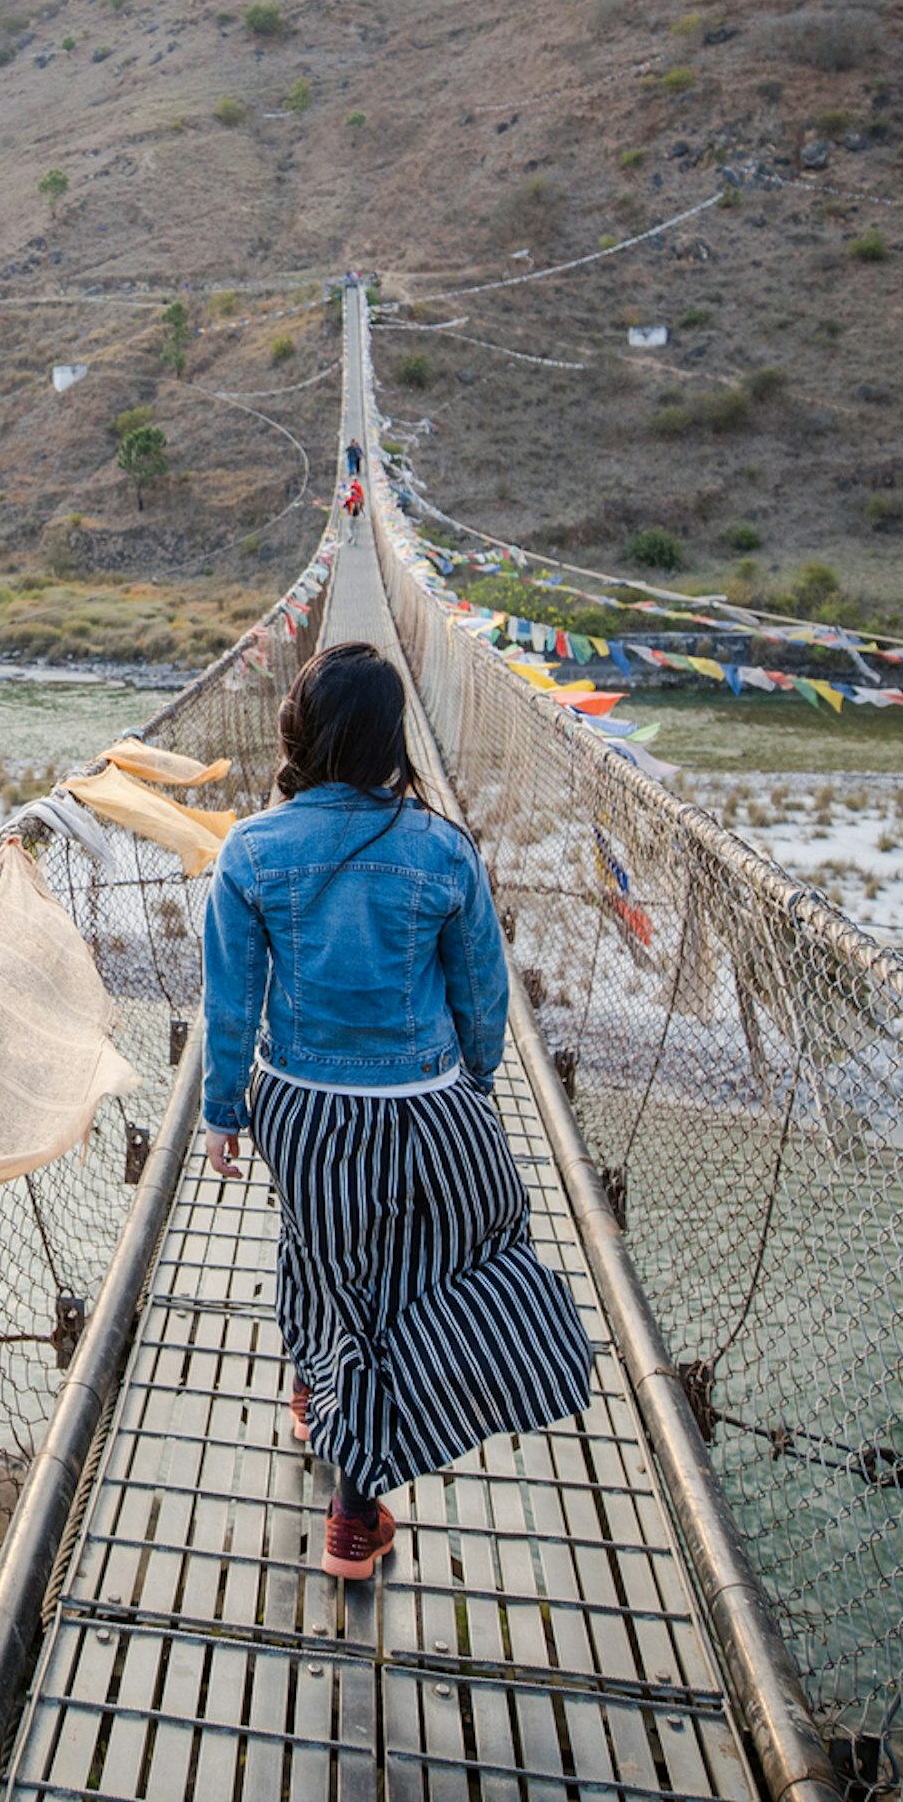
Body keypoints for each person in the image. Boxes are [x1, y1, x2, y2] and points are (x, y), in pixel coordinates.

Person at [199, 641, 595, 1579]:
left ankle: (312, 1388)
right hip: (427, 1108)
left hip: (301, 1112)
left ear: (297, 731)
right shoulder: (442, 846)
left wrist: (224, 1110)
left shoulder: (252, 850)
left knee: (320, 1250)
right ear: (391, 737)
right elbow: (482, 998)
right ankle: (352, 1511)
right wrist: (476, 1084)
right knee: (417, 1283)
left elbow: (230, 1002)